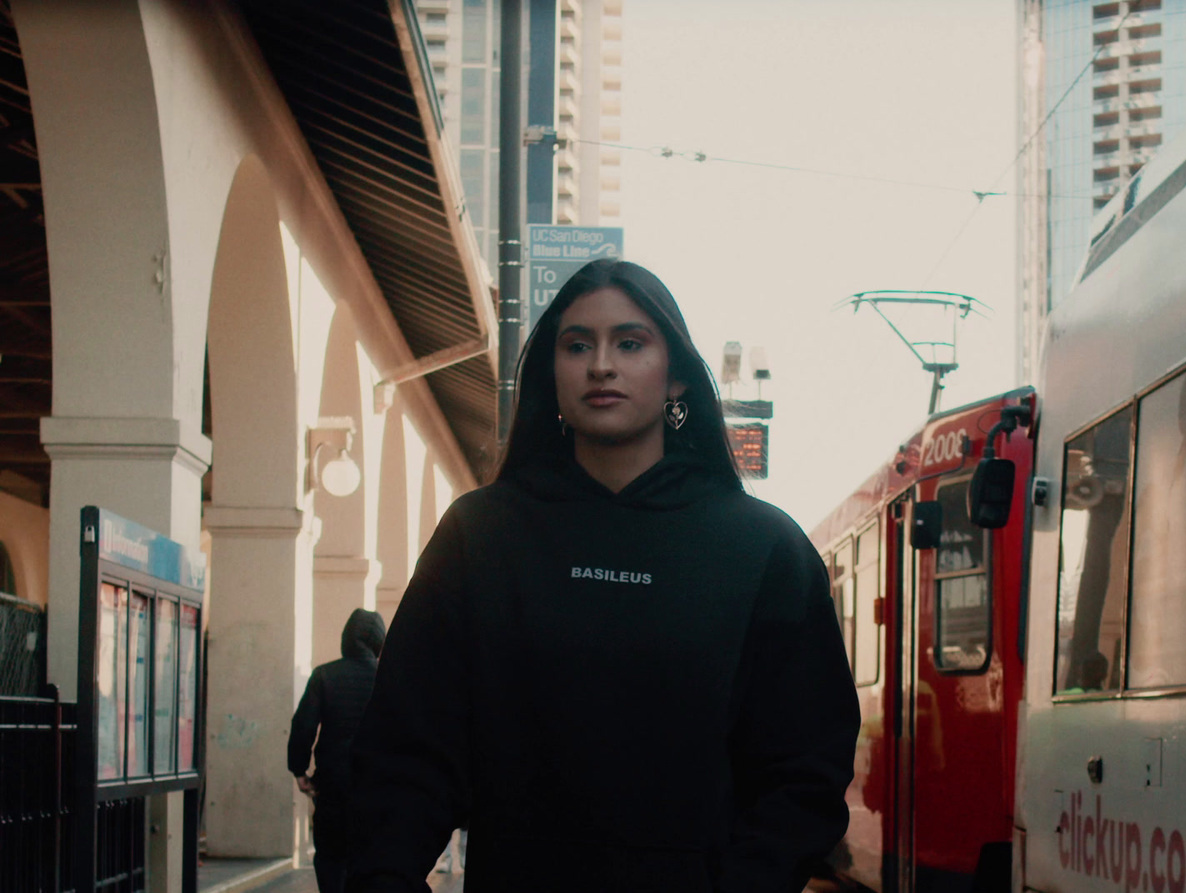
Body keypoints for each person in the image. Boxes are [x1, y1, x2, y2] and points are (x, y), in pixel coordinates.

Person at [348, 259, 860, 893]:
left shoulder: (764, 548)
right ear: (551, 371)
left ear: (676, 378)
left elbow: (805, 766)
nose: (600, 365)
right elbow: (408, 749)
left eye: (630, 342)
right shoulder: (479, 536)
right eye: (577, 344)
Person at [289, 608, 388, 893]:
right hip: (377, 787)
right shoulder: (388, 678)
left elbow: (303, 726)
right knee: (372, 860)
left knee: (331, 857)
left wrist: (299, 771)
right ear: (379, 641)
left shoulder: (325, 676)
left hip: (331, 786)